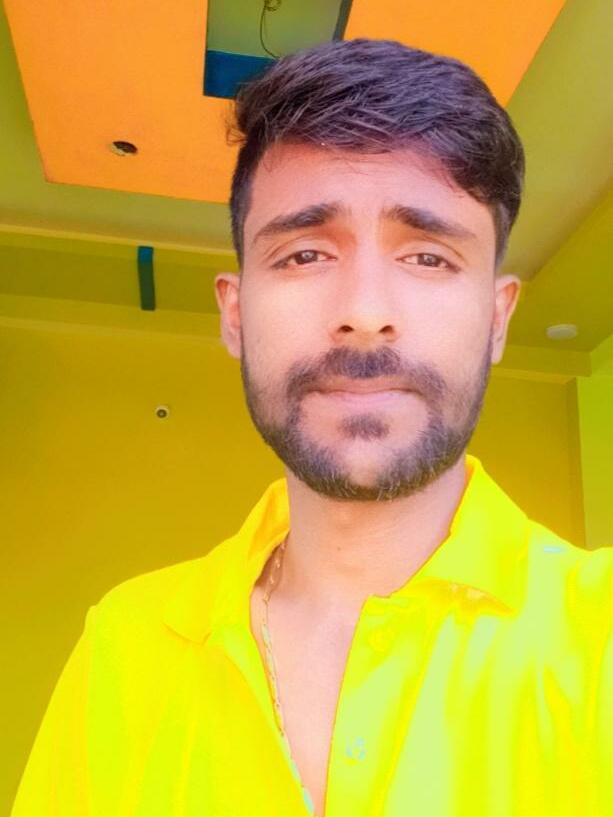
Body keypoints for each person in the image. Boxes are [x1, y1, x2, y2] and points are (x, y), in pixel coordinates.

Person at [11, 38, 612, 817]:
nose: (364, 312)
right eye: (303, 254)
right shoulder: (124, 643)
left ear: (497, 318)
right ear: (234, 313)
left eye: (427, 257)